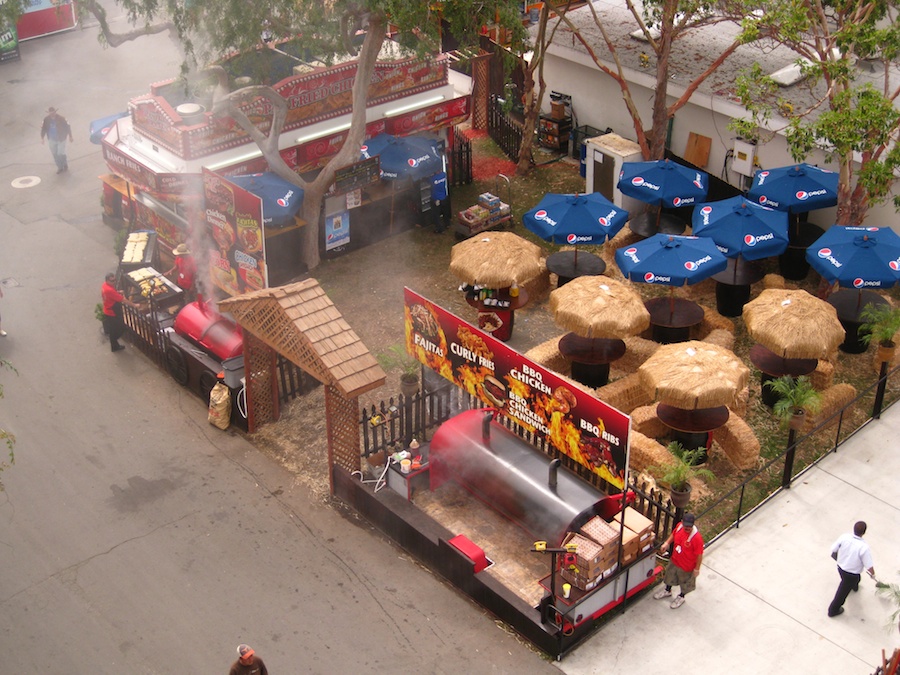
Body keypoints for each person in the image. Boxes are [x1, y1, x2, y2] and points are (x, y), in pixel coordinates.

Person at [653, 512, 704, 609]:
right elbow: (674, 533)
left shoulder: (697, 538)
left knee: (685, 582)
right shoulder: (680, 527)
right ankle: (667, 590)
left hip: (687, 566)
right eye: (686, 525)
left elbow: (699, 555)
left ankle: (681, 597)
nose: (687, 528)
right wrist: (667, 543)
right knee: (670, 575)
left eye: (689, 526)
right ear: (682, 522)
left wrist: (697, 569)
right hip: (675, 559)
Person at [828, 520, 876, 617]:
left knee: (855, 579)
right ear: (864, 532)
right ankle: (833, 610)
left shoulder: (844, 537)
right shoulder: (864, 547)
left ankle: (854, 586)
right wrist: (873, 574)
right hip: (851, 573)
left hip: (841, 567)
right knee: (842, 593)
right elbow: (869, 565)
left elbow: (833, 549)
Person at [101, 272, 139, 352]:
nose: (114, 282)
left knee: (114, 329)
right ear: (107, 280)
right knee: (119, 328)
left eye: (115, 280)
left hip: (109, 310)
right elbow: (123, 300)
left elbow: (111, 294)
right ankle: (114, 343)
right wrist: (134, 305)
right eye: (112, 281)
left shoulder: (105, 285)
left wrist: (117, 292)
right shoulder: (109, 290)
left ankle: (114, 345)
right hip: (112, 312)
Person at [40, 107, 74, 174]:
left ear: (55, 112)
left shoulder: (62, 118)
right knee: (55, 154)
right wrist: (42, 138)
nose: (52, 114)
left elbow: (68, 127)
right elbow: (43, 128)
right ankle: (60, 167)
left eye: (53, 112)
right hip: (52, 139)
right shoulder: (46, 120)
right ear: (48, 113)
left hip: (61, 138)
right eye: (50, 113)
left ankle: (64, 163)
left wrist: (70, 136)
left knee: (60, 153)